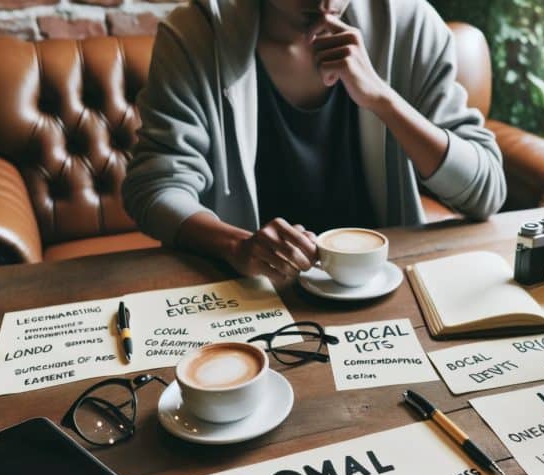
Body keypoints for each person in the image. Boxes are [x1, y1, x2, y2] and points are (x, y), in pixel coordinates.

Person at [123, 0, 506, 283]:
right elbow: (155, 188)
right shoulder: (195, 34)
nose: (325, 3)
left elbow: (485, 191)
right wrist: (238, 246)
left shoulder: (411, 24)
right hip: (250, 294)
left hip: (380, 288)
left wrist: (382, 99)